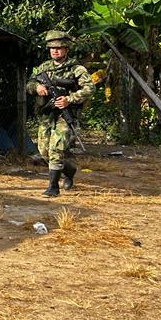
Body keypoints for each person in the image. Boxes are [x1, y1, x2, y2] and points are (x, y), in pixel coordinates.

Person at [26, 30, 94, 197]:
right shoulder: (44, 67)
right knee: (44, 152)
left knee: (56, 149)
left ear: (66, 49)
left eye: (59, 48)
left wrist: (69, 99)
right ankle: (69, 171)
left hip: (65, 114)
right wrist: (37, 87)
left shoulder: (76, 68)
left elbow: (89, 88)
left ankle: (53, 187)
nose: (55, 51)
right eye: (51, 48)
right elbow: (29, 84)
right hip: (47, 114)